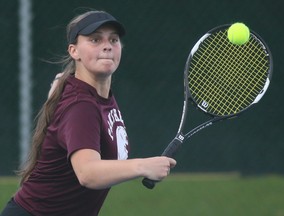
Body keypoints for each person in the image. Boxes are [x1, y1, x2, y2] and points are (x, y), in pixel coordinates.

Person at [0, 10, 176, 216]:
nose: (107, 45)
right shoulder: (81, 106)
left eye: (114, 39)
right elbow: (88, 173)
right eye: (95, 39)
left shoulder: (95, 94)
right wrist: (142, 166)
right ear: (74, 51)